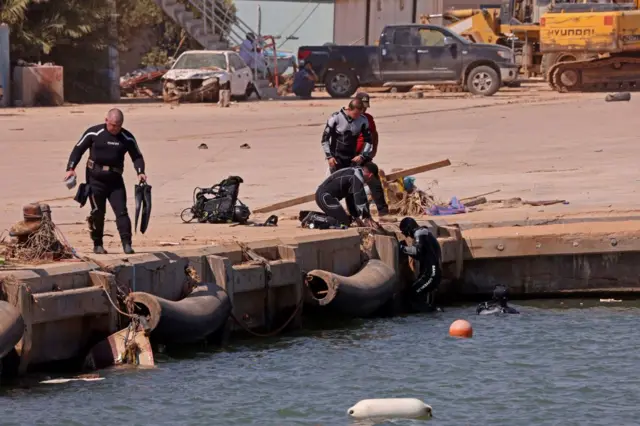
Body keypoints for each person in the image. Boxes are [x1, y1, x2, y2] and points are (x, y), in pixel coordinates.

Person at [64, 108, 147, 255]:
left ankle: (127, 244)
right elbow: (78, 149)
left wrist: (140, 172)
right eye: (113, 125)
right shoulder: (94, 133)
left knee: (122, 212)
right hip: (95, 179)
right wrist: (71, 168)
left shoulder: (126, 137)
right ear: (106, 120)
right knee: (98, 212)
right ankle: (98, 244)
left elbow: (137, 156)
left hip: (115, 180)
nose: (115, 128)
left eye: (118, 125)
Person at [321, 97, 388, 215]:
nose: (357, 116)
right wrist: (329, 157)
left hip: (353, 158)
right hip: (337, 159)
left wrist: (362, 156)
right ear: (349, 109)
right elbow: (325, 139)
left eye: (360, 113)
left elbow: (369, 140)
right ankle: (338, 212)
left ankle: (381, 213)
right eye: (355, 114)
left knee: (368, 175)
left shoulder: (363, 120)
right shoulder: (335, 118)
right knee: (342, 187)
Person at [354, 92, 388, 215]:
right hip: (349, 156)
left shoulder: (368, 118)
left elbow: (374, 134)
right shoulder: (347, 118)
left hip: (363, 156)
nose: (363, 109)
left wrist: (373, 151)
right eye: (361, 107)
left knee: (373, 176)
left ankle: (383, 212)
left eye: (365, 107)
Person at [398, 217, 443, 312]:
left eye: (405, 232)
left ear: (409, 228)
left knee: (413, 294)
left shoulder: (420, 233)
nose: (407, 235)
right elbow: (421, 255)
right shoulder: (426, 235)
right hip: (432, 274)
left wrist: (401, 247)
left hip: (431, 275)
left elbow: (417, 252)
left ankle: (427, 314)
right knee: (424, 301)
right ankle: (430, 313)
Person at [315, 164, 379, 228]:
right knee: (343, 223)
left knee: (347, 221)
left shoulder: (356, 172)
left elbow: (350, 198)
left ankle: (320, 218)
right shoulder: (358, 176)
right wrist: (367, 217)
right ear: (370, 175)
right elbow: (360, 197)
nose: (368, 182)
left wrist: (356, 217)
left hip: (324, 197)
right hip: (325, 197)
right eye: (370, 180)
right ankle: (314, 218)